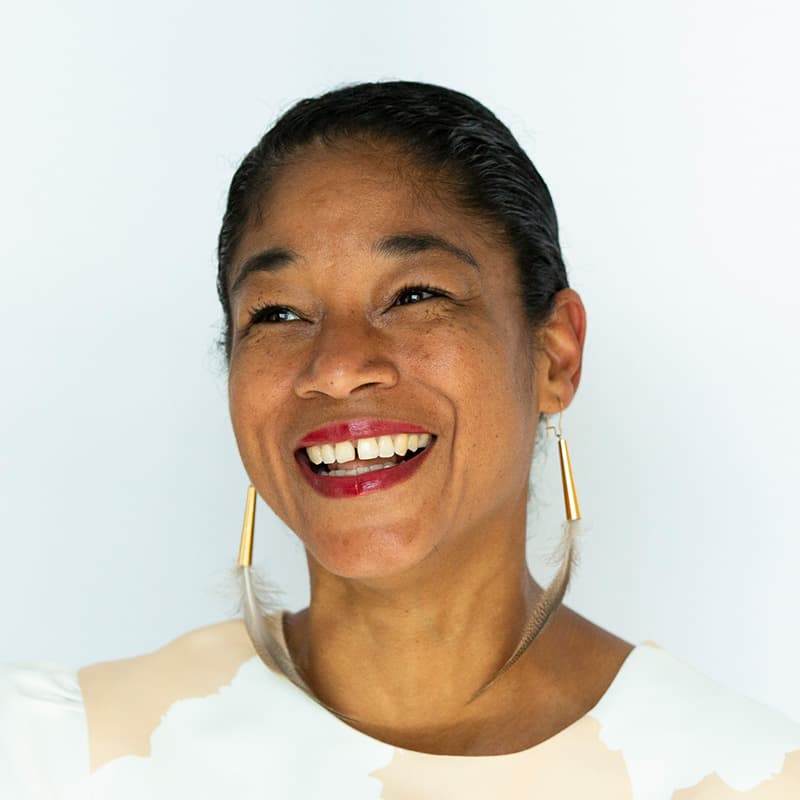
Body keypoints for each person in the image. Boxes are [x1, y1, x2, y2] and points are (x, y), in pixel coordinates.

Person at [2, 81, 798, 798]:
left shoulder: (748, 775)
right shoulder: (59, 757)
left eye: (416, 295)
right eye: (277, 314)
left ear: (554, 356)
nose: (338, 367)